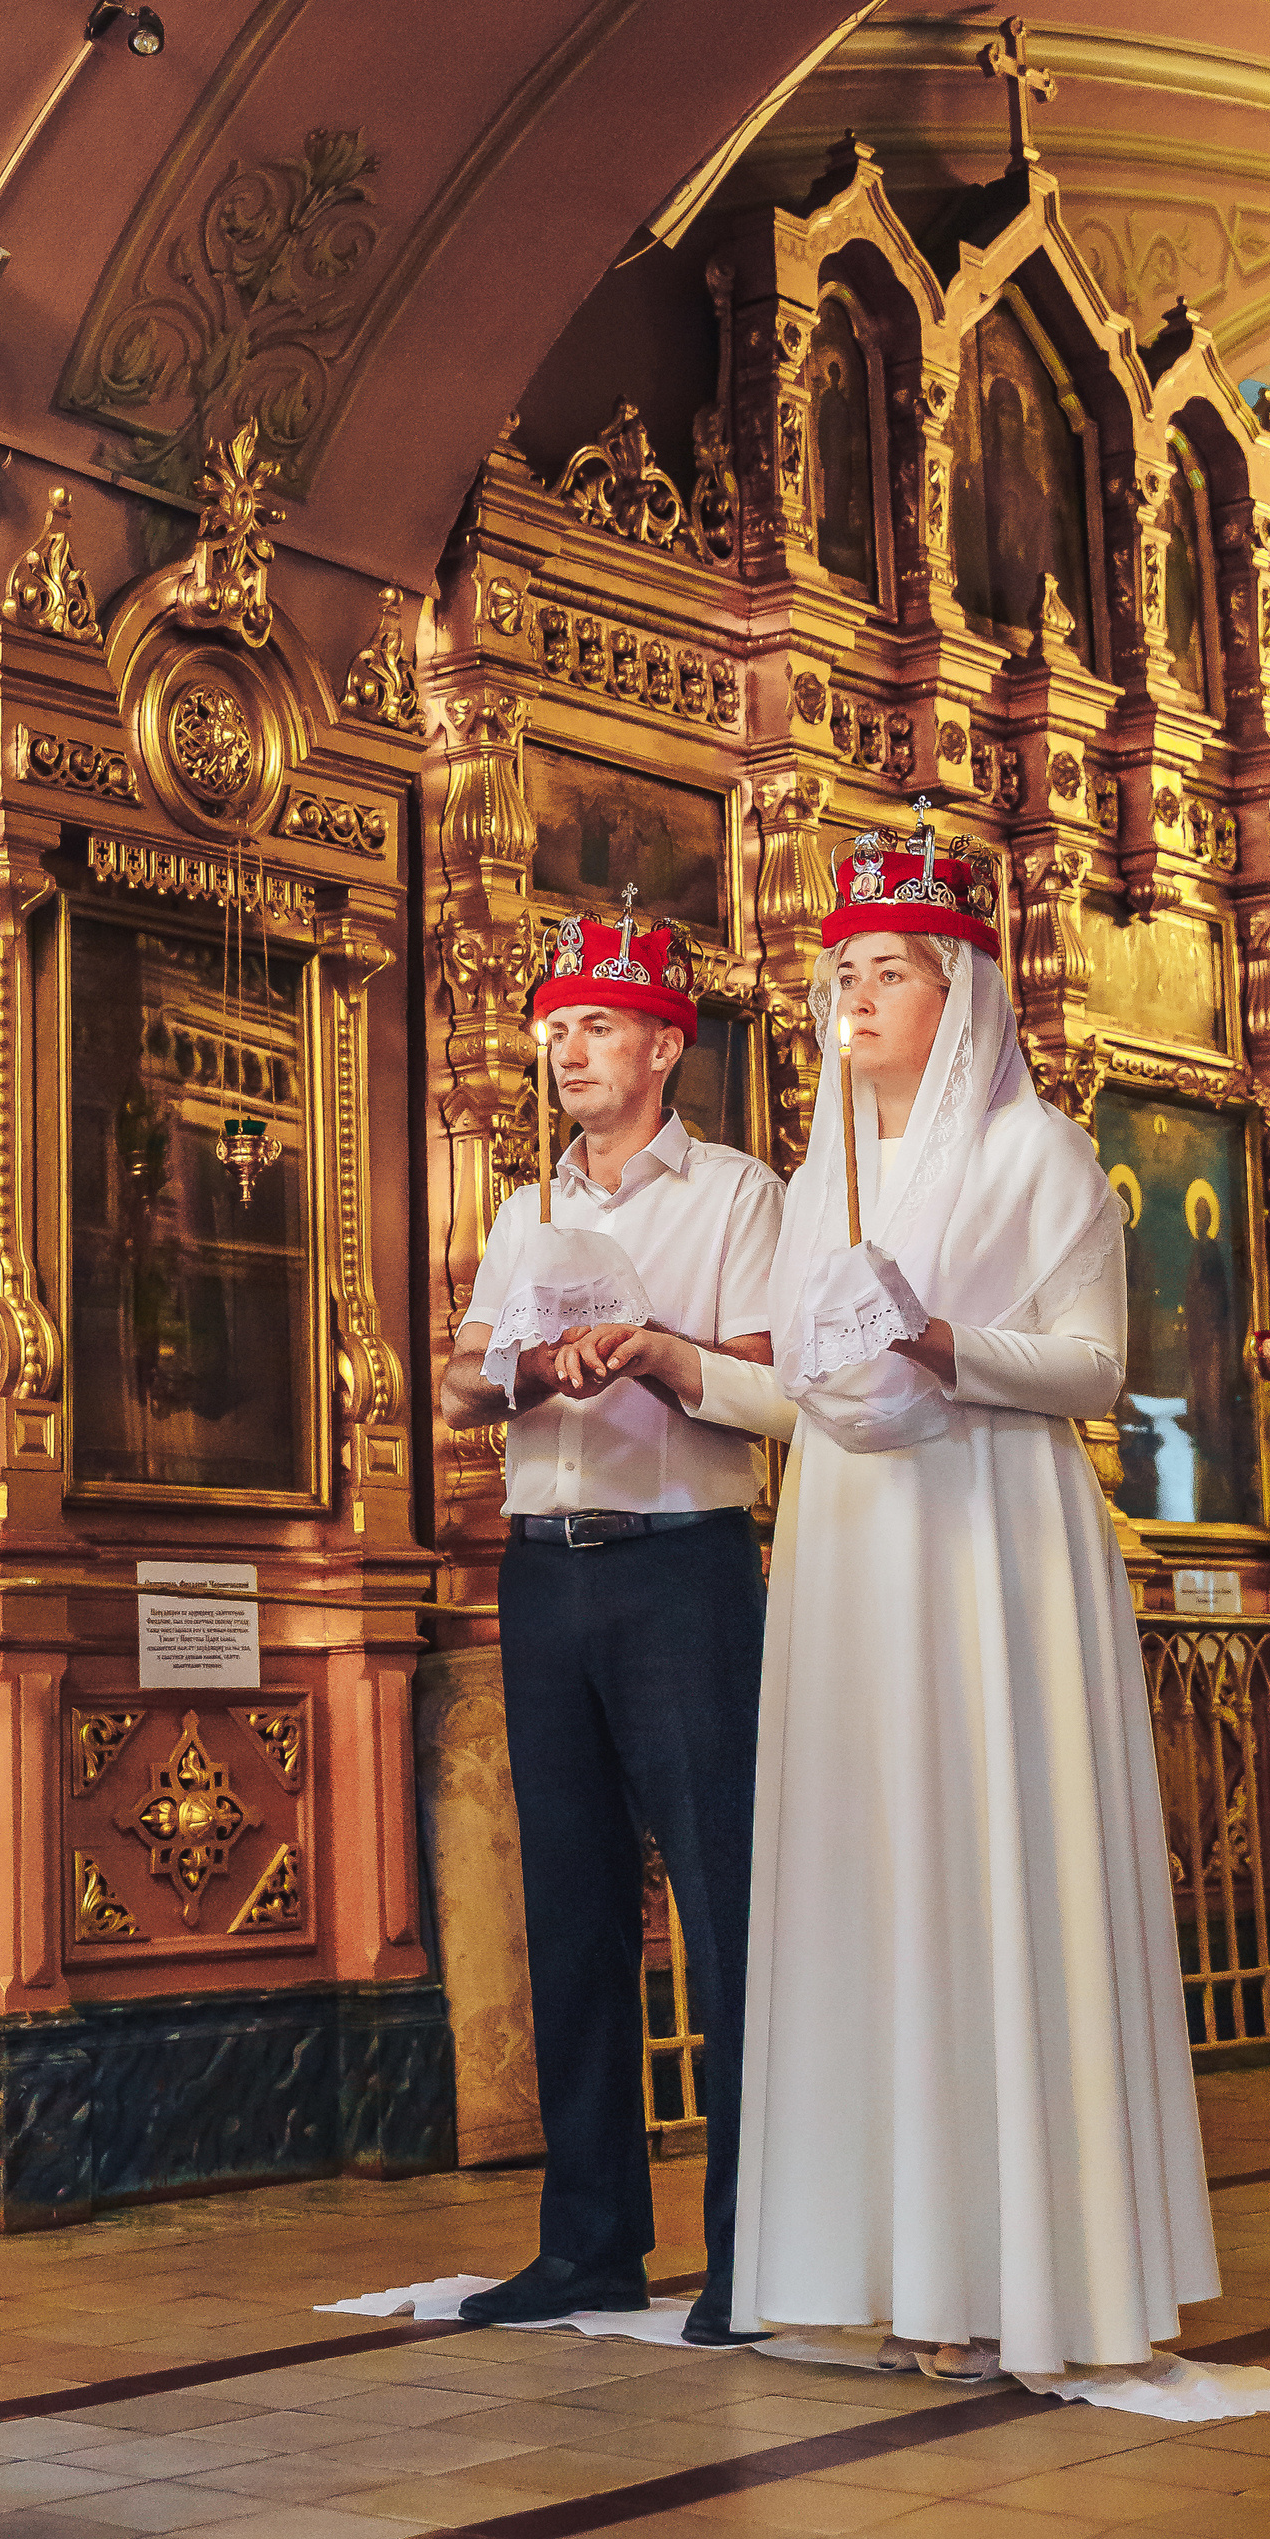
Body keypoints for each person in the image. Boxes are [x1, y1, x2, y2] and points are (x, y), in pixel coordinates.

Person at [732, 814, 1218, 2381]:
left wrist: (942, 1344)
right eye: (844, 975)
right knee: (867, 1872)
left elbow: (1095, 1367)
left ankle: (1017, 2281)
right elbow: (799, 1391)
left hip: (990, 1536)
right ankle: (882, 2267)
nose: (857, 999)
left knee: (990, 1860)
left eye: (891, 971)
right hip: (849, 1538)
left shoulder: (1037, 1153)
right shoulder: (819, 1178)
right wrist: (682, 1363)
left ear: (964, 991)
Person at [437, 900, 792, 2342]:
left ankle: (756, 2253)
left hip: (682, 1566)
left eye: (595, 1026)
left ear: (661, 1046)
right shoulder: (527, 1210)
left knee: (724, 1906)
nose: (566, 1051)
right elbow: (456, 1384)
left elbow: (772, 1382)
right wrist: (529, 1368)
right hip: (546, 1569)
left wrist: (651, 1350)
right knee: (570, 1906)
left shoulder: (739, 1196)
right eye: (555, 1030)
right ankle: (588, 2242)